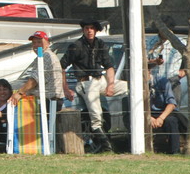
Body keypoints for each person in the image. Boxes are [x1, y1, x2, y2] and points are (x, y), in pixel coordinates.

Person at [59, 18, 127, 153]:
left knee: (130, 88)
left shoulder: (100, 43)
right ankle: (107, 147)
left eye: (92, 28)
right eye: (86, 28)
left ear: (96, 30)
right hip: (86, 82)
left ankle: (131, 121)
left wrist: (111, 85)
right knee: (96, 115)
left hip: (100, 80)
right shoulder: (76, 46)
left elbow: (109, 66)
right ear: (83, 30)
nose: (89, 31)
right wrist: (65, 88)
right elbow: (61, 67)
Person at [10, 31, 73, 104]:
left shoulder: (46, 56)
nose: (36, 45)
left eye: (39, 42)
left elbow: (34, 80)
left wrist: (19, 93)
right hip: (47, 100)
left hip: (49, 101)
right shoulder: (44, 56)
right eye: (34, 42)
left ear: (48, 43)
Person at [149, 72, 180, 154]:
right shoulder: (135, 83)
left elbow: (172, 104)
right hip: (145, 113)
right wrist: (148, 117)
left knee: (171, 121)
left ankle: (174, 152)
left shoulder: (162, 81)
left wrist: (161, 118)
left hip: (163, 112)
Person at [147, 34, 185, 101]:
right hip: (155, 81)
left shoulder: (181, 42)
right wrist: (155, 61)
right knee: (156, 108)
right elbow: (143, 61)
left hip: (172, 80)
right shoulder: (150, 41)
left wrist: (185, 71)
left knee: (173, 107)